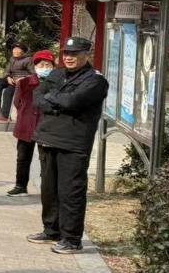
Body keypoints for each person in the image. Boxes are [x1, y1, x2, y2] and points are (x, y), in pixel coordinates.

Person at [27, 37, 109, 253]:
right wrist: (57, 101)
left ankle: (72, 239)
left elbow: (73, 102)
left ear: (86, 55)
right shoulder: (56, 74)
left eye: (74, 54)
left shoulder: (95, 80)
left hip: (73, 143)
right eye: (66, 53)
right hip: (48, 137)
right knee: (49, 190)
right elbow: (37, 97)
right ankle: (51, 230)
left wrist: (53, 98)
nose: (69, 57)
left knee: (70, 192)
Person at [8, 49, 55, 197]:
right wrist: (26, 113)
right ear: (35, 66)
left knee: (46, 160)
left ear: (53, 66)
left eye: (48, 65)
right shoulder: (24, 83)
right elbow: (17, 102)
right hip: (26, 125)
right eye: (41, 65)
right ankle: (20, 186)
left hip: (46, 127)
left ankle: (47, 188)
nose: (44, 68)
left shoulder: (57, 83)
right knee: (22, 158)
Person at [0, 44, 33, 119]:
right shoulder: (12, 59)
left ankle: (5, 115)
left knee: (8, 91)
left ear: (23, 51)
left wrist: (23, 78)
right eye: (14, 49)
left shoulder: (28, 60)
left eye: (17, 49)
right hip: (12, 79)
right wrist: (8, 77)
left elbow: (33, 74)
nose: (15, 51)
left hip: (22, 82)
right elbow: (6, 71)